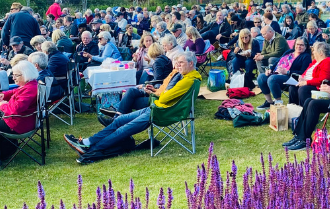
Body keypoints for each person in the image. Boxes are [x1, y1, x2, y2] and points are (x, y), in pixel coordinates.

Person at [64, 52, 200, 163]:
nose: (177, 65)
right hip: (156, 108)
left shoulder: (188, 80)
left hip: (161, 112)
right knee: (118, 121)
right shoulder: (186, 77)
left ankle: (91, 150)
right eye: (177, 62)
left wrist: (159, 94)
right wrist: (160, 93)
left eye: (181, 63)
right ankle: (87, 142)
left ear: (191, 63)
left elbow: (164, 98)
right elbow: (165, 95)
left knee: (123, 129)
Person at [0, 60, 40, 160]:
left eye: (16, 75)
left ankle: (4, 151)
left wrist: (2, 105)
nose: (13, 78)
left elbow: (16, 109)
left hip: (17, 124)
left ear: (25, 75)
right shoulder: (31, 84)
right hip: (20, 120)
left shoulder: (30, 89)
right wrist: (4, 95)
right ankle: (7, 148)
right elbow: (16, 91)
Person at [256, 38, 311, 107]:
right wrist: (270, 69)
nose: (299, 46)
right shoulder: (289, 52)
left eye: (301, 45)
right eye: (297, 44)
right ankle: (269, 102)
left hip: (291, 77)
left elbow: (303, 72)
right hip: (277, 73)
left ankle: (278, 104)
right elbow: (277, 62)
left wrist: (287, 72)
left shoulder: (306, 57)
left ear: (306, 46)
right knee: (261, 77)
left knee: (273, 79)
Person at [288, 41, 330, 106]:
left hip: (320, 87)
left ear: (321, 53)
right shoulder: (316, 61)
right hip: (310, 83)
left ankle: (304, 111)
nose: (313, 52)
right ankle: (293, 110)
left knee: (303, 89)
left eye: (314, 51)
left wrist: (306, 82)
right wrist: (302, 77)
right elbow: (306, 73)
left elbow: (322, 80)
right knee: (292, 88)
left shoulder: (327, 61)